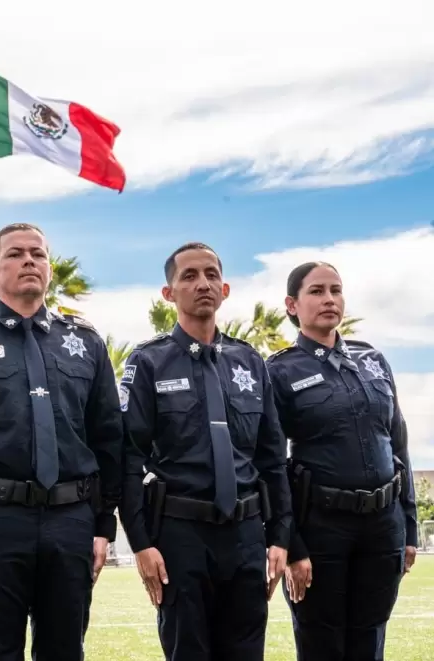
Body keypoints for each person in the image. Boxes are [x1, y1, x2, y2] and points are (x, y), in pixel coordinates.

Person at [0, 222, 123, 661]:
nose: (29, 260)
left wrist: (104, 523)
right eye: (15, 254)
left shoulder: (85, 342)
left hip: (72, 520)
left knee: (66, 650)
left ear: (49, 268)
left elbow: (109, 439)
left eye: (38, 253)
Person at [119, 242, 292, 661]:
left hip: (246, 535)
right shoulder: (148, 362)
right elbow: (127, 458)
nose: (203, 284)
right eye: (189, 276)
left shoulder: (250, 362)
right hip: (180, 536)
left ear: (225, 289)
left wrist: (280, 535)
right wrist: (141, 543)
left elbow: (272, 457)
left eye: (211, 275)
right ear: (168, 293)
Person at [265, 261, 417, 661]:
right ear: (292, 305)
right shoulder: (279, 371)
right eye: (316, 291)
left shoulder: (373, 361)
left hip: (383, 527)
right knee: (322, 644)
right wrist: (292, 545)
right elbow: (272, 462)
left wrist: (410, 528)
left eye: (336, 289)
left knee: (371, 641)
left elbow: (398, 443)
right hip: (320, 527)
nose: (329, 299)